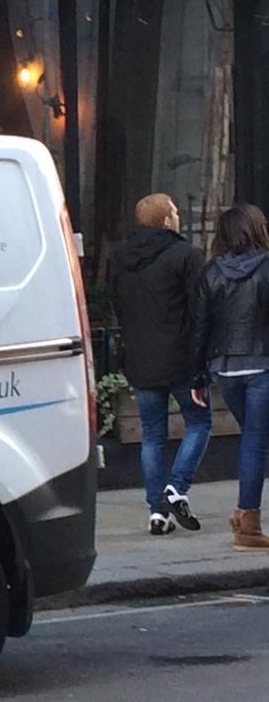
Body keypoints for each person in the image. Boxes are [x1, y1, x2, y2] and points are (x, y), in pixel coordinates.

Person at [107, 192, 211, 535]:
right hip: (181, 358)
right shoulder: (187, 255)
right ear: (166, 220)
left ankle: (157, 513)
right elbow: (200, 310)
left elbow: (117, 304)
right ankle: (176, 488)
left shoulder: (120, 258)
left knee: (152, 434)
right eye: (175, 212)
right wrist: (201, 362)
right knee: (200, 422)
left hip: (141, 358)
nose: (179, 216)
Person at [194, 204, 269, 550]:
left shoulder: (211, 272)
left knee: (253, 438)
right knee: (255, 440)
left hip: (224, 368)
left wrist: (198, 378)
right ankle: (247, 522)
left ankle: (246, 519)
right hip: (262, 364)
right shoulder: (266, 267)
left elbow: (199, 328)